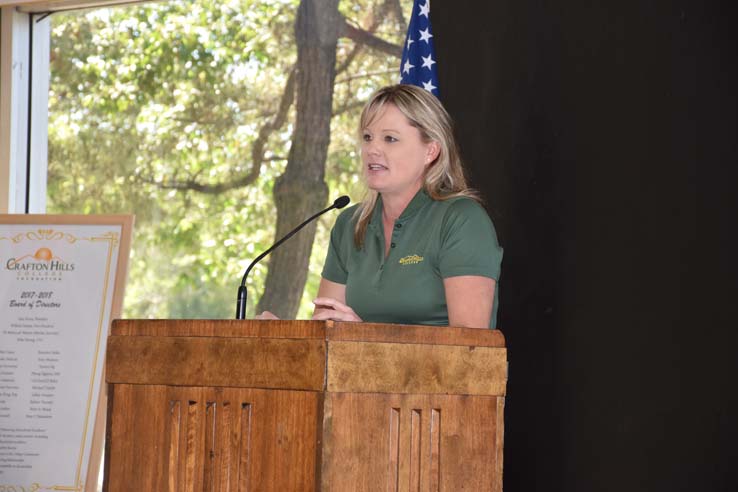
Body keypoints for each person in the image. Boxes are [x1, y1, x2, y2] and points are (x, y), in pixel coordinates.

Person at [260, 84, 503, 329]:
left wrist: (364, 335)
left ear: (430, 151)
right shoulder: (349, 224)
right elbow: (326, 332)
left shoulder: (461, 220)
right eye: (367, 137)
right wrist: (283, 335)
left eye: (390, 139)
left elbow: (469, 349)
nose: (372, 149)